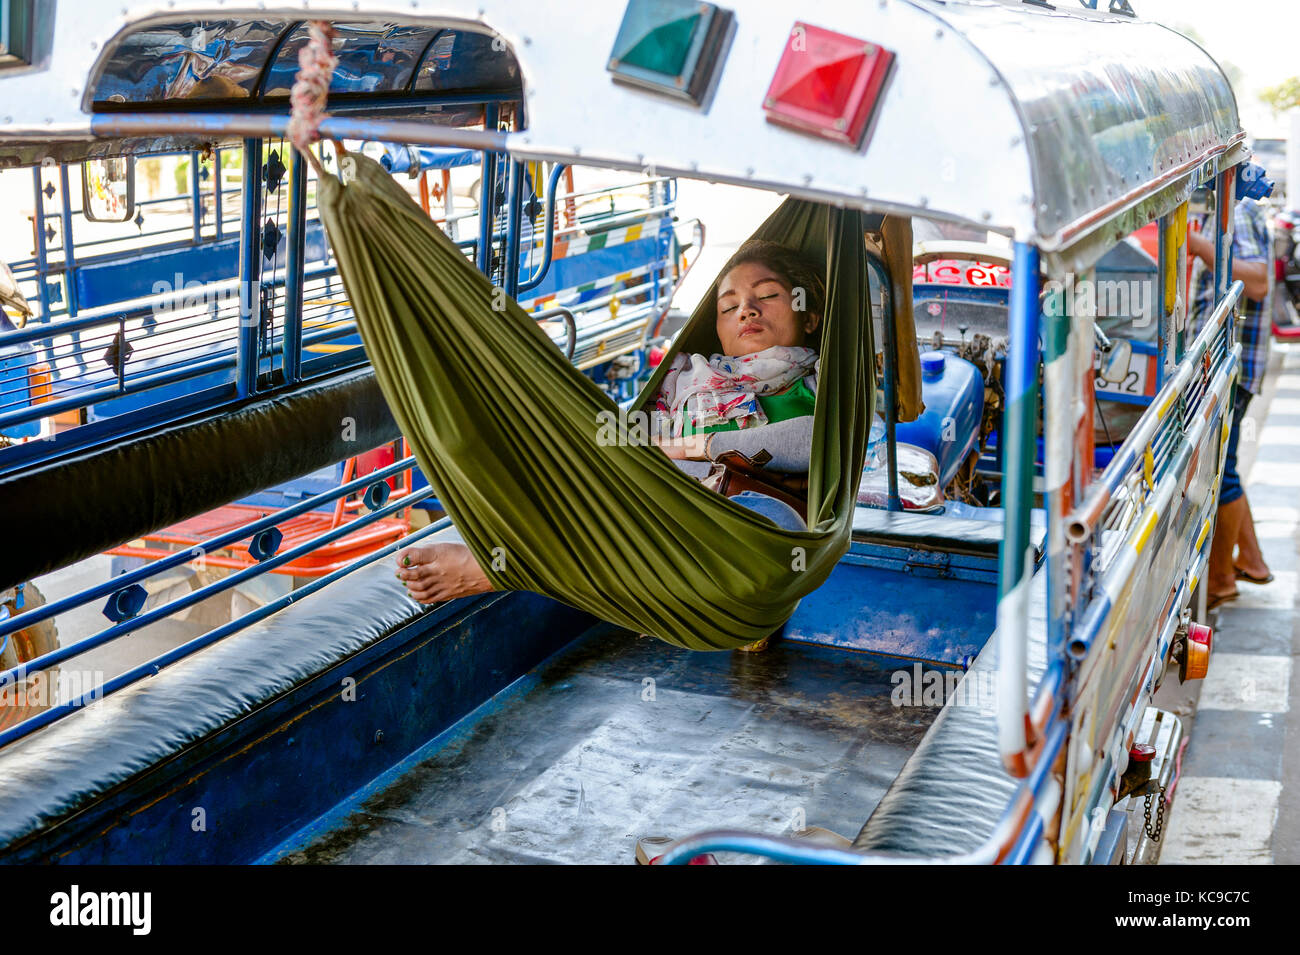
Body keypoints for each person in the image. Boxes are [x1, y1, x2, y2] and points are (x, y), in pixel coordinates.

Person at [393, 240, 822, 640]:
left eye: (767, 296)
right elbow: (622, 442)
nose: (746, 310)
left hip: (741, 531)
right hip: (653, 514)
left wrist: (698, 445)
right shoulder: (685, 378)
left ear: (810, 316)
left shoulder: (819, 383)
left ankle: (503, 569)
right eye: (729, 305)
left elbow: (815, 443)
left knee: (774, 532)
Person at [1187, 195, 1274, 610]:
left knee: (1222, 473)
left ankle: (1221, 578)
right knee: (1227, 464)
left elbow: (1257, 282)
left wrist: (1198, 245)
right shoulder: (1227, 209)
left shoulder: (1237, 211)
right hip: (1224, 363)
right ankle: (1252, 561)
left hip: (1228, 365)